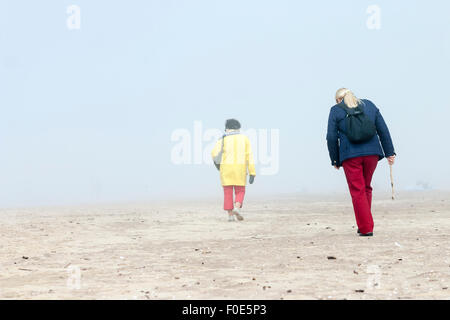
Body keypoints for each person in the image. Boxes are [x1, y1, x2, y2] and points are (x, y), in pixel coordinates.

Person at [326, 88, 396, 236]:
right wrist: (390, 152)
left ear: (339, 100)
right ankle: (365, 223)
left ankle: (366, 228)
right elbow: (383, 129)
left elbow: (331, 137)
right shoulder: (369, 105)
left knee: (357, 190)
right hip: (372, 154)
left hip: (350, 156)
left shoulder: (336, 110)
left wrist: (335, 159)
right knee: (365, 188)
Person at [211, 119, 256, 221]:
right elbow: (249, 156)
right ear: (238, 127)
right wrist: (252, 172)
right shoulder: (244, 139)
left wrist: (219, 164)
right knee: (240, 191)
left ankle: (230, 216)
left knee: (228, 192)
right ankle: (237, 207)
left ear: (227, 128)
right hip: (240, 169)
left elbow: (214, 153)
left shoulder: (223, 139)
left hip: (226, 169)